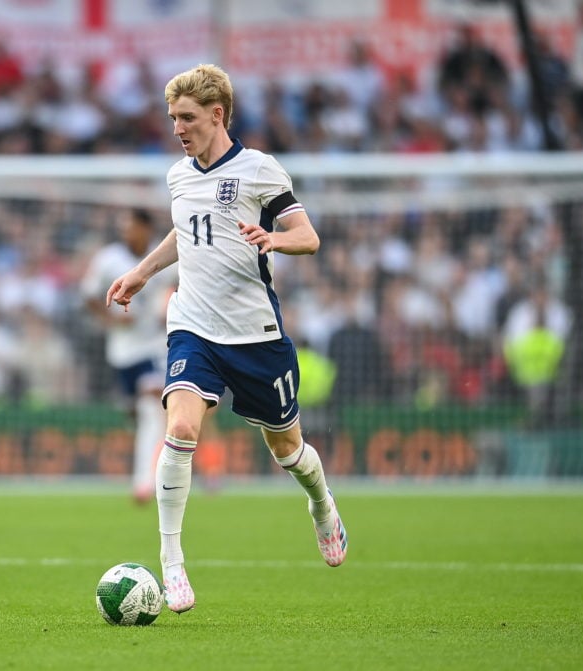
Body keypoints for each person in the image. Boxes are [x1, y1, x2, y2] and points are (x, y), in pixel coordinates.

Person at [106, 64, 348, 614]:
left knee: (288, 451)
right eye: (172, 118)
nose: (177, 127)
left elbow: (308, 236)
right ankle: (172, 565)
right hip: (193, 325)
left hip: (256, 336)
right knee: (183, 427)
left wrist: (274, 239)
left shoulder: (260, 170)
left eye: (187, 117)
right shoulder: (178, 176)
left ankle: (322, 506)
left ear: (218, 115)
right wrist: (144, 272)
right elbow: (185, 228)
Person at [82, 208, 174, 504]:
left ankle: (144, 484)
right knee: (137, 414)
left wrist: (169, 308)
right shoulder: (109, 260)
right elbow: (89, 297)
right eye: (123, 228)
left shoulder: (164, 256)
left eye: (131, 227)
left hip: (155, 345)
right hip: (122, 351)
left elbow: (182, 284)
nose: (126, 233)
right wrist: (111, 321)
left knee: (152, 409)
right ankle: (149, 467)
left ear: (146, 230)